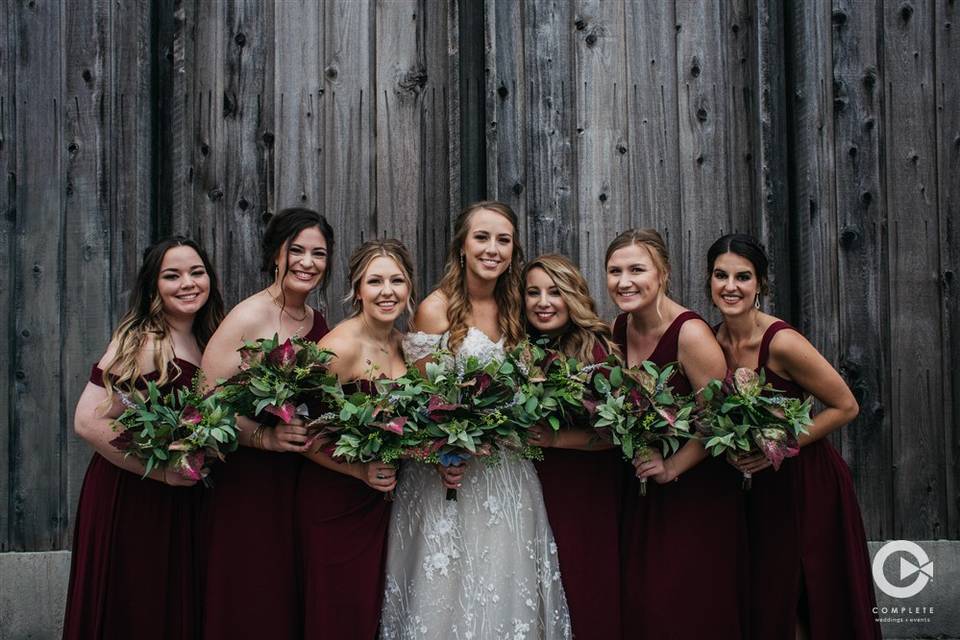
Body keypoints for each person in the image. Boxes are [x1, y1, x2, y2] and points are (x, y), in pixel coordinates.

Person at [380, 201, 571, 640]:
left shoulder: (520, 310)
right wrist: (444, 453)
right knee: (447, 594)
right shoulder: (435, 309)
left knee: (505, 587)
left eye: (503, 240)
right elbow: (423, 404)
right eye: (481, 238)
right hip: (450, 475)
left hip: (507, 474)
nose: (492, 249)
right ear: (461, 247)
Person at [708, 233, 881, 640]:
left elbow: (846, 406)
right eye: (721, 275)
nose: (730, 286)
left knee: (808, 594)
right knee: (771, 595)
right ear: (708, 280)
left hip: (805, 481)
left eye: (743, 277)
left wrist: (778, 448)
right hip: (755, 489)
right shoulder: (711, 341)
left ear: (761, 285)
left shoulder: (781, 342)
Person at [63, 236, 224, 640]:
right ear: (154, 286)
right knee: (136, 605)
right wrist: (162, 472)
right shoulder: (142, 341)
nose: (187, 283)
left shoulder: (208, 339)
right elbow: (88, 420)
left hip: (182, 497)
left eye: (196, 272)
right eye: (173, 276)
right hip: (132, 492)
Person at [607, 228, 747, 640]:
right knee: (641, 606)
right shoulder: (618, 327)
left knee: (684, 606)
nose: (624, 281)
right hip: (641, 489)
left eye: (637, 269)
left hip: (693, 493)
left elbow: (720, 419)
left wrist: (671, 467)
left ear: (663, 273)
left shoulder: (691, 334)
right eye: (615, 271)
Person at [200, 208, 333, 639]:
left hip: (300, 477)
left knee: (289, 591)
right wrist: (263, 437)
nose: (307, 262)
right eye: (297, 250)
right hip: (250, 480)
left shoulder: (319, 323)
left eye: (319, 253)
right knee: (252, 591)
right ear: (276, 254)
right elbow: (206, 401)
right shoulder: (248, 317)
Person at [296, 239, 412, 639]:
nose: (387, 291)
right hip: (335, 498)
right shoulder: (338, 348)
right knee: (339, 611)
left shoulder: (402, 344)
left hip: (382, 500)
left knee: (371, 613)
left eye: (397, 280)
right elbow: (299, 430)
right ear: (357, 288)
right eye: (375, 281)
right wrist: (360, 469)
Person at [521, 254, 623, 640]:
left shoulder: (596, 351)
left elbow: (617, 434)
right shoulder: (521, 348)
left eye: (555, 292)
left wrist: (556, 438)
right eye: (534, 293)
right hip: (533, 483)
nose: (543, 302)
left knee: (583, 584)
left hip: (584, 488)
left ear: (573, 296)